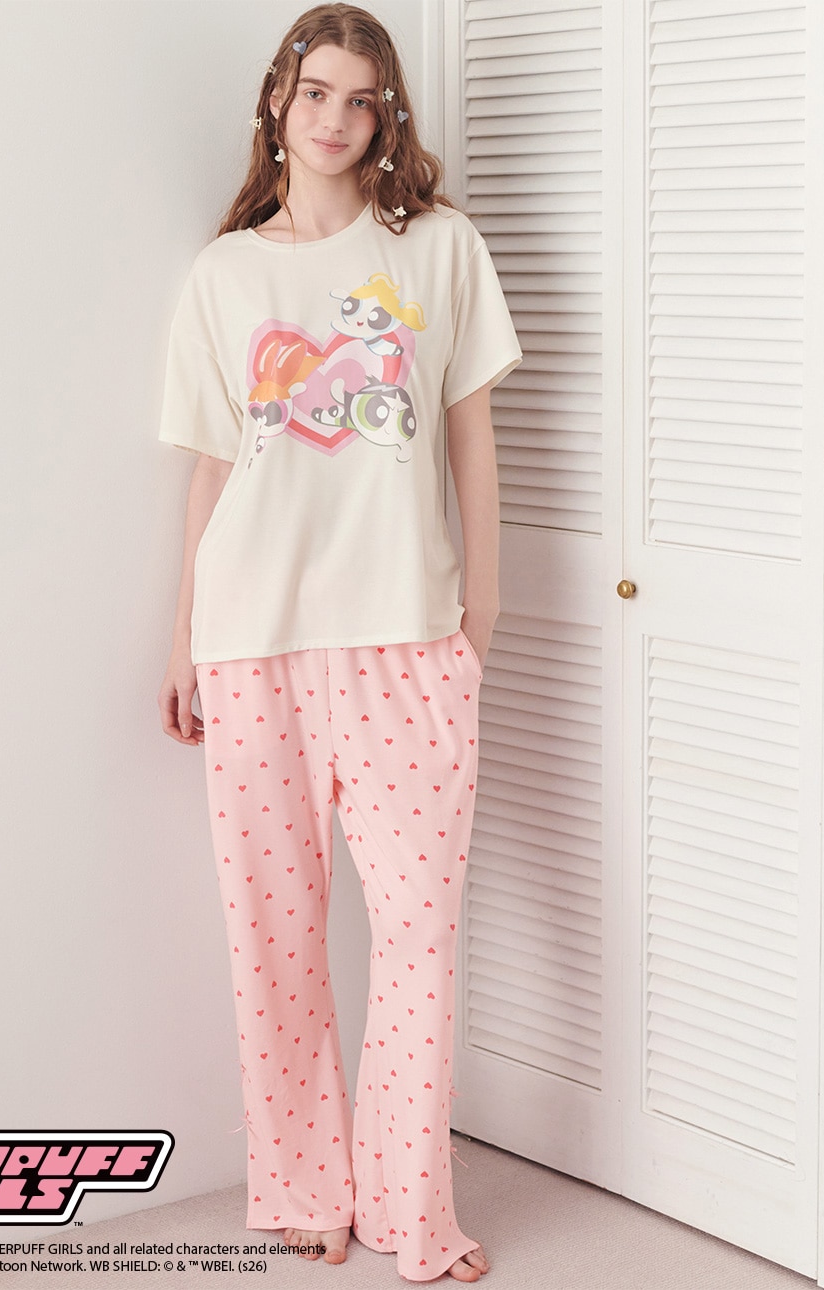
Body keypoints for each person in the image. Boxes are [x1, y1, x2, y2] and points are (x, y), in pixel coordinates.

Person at [157, 4, 521, 1281]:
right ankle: (306, 1185)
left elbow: (471, 438)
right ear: (279, 100)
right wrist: (184, 638)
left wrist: (480, 613)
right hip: (252, 640)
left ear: (386, 115)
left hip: (407, 640)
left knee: (419, 932)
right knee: (274, 935)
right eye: (316, 93)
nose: (336, 119)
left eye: (361, 100)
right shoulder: (223, 275)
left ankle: (412, 1211)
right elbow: (214, 470)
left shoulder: (440, 250)